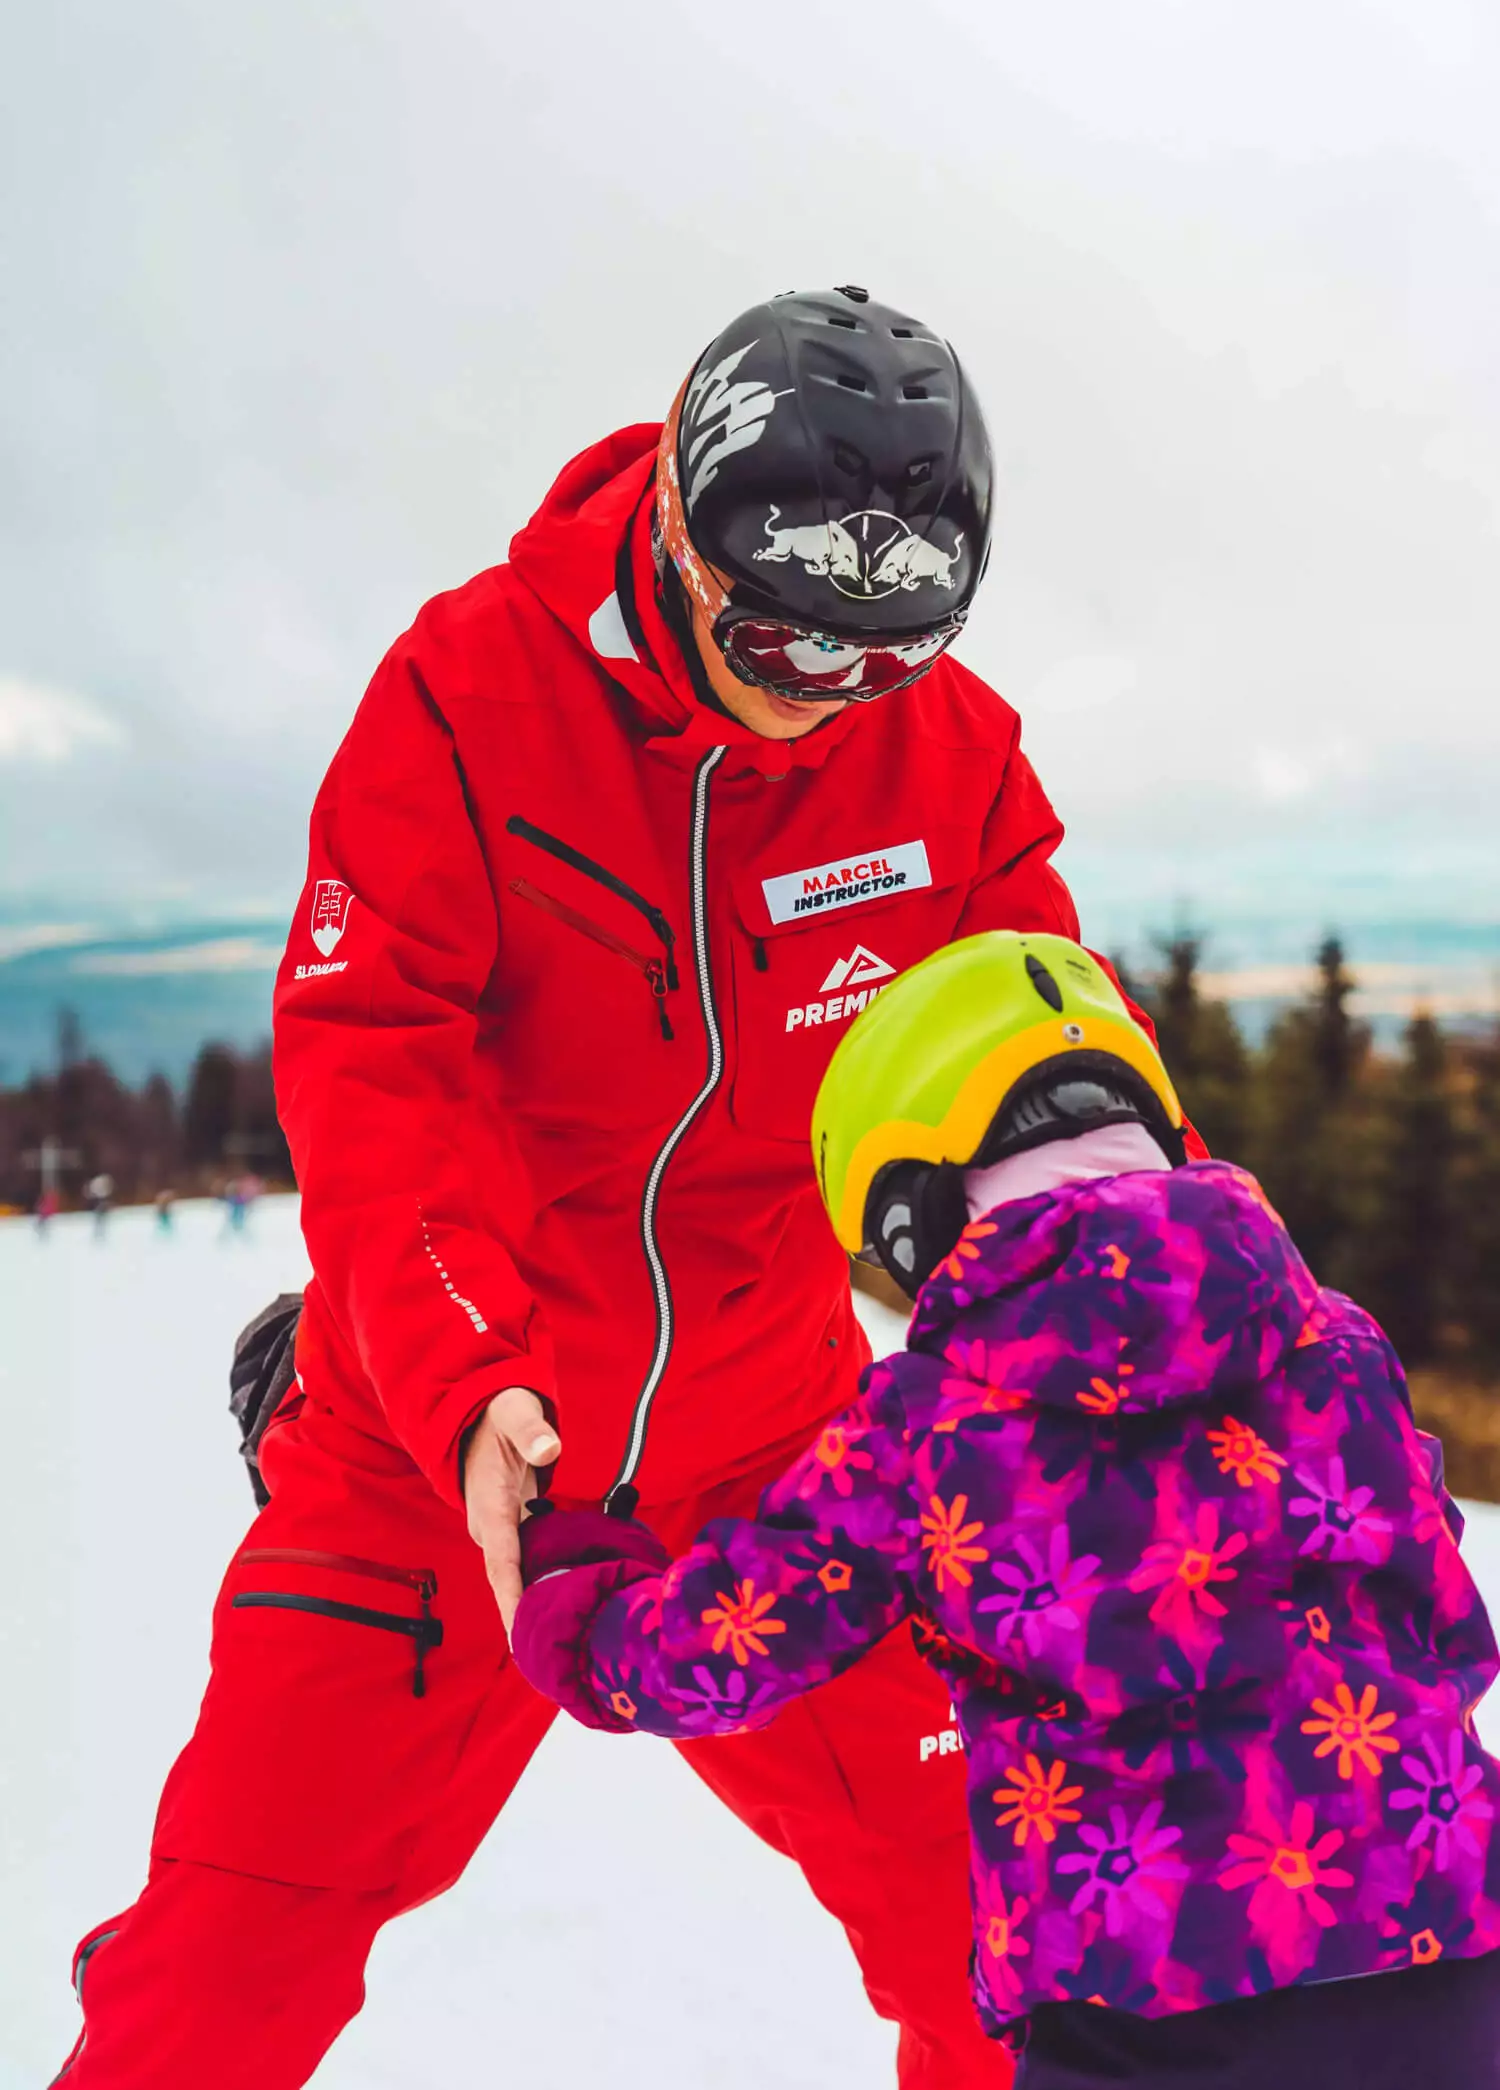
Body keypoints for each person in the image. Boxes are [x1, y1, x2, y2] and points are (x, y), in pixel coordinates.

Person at [54, 288, 1197, 2090]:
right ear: (678, 514)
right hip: (439, 1452)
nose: (824, 697)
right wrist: (463, 1382)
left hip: (782, 1454)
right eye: (780, 635)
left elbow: (1038, 1059)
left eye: (879, 658)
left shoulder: (949, 756)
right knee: (222, 1970)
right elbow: (374, 1066)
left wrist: (1159, 1319)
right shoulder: (465, 698)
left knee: (1013, 1926)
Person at [509, 929, 1500, 2089]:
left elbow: (735, 1642)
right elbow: (1445, 1613)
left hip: (1143, 1990)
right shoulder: (1332, 1339)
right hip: (1446, 1946)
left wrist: (588, 1624)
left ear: (913, 1210)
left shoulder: (933, 1423)